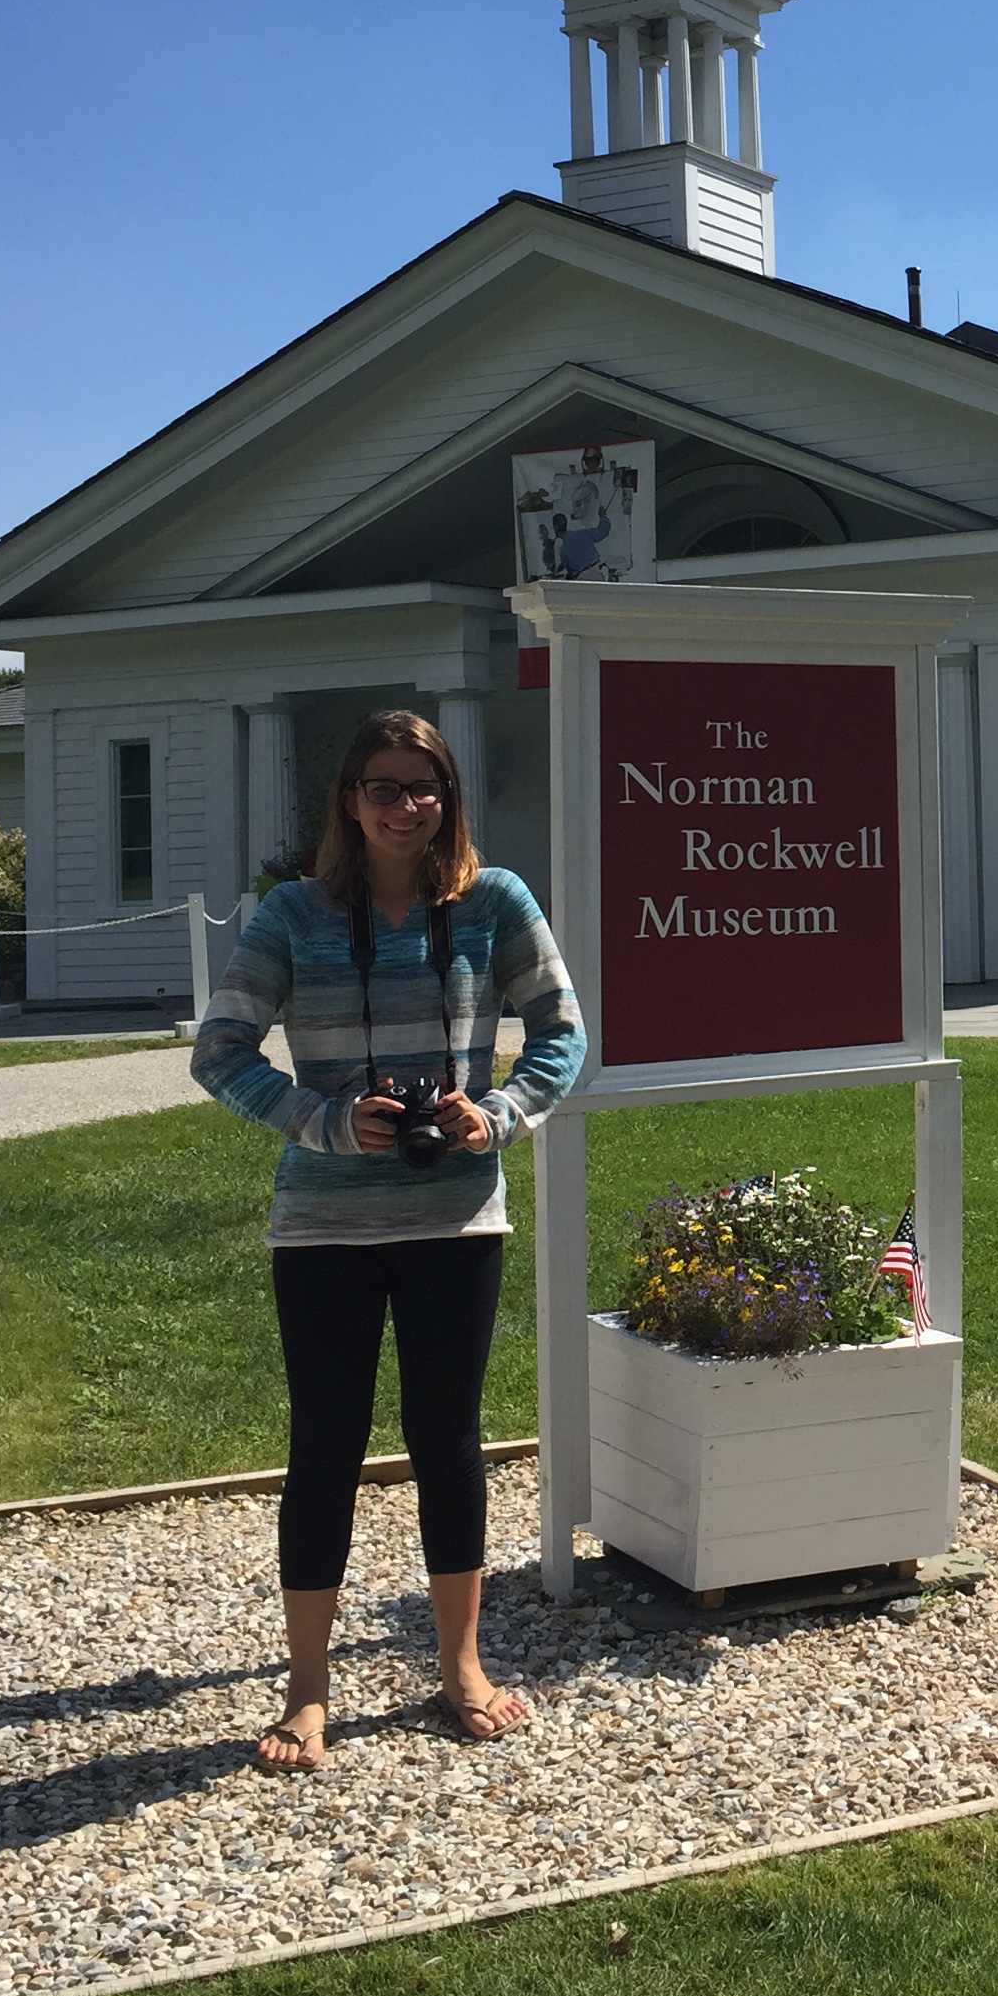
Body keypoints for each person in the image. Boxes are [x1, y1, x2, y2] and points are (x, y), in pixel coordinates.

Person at [192, 709, 583, 1773]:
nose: (405, 806)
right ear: (349, 801)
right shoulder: (294, 913)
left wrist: (495, 1115)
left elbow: (563, 1031)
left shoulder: (495, 902)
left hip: (455, 1216)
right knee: (325, 1446)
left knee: (448, 1442)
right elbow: (220, 1049)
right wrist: (324, 1120)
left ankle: (461, 1667)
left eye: (425, 787)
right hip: (323, 1224)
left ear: (448, 798)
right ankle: (306, 1691)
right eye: (383, 787)